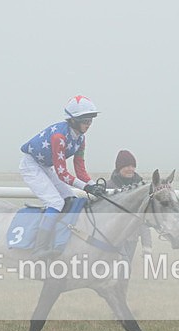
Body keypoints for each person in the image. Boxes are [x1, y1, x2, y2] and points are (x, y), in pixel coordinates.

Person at [20, 95, 107, 258]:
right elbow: (62, 174)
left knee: (71, 198)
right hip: (31, 166)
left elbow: (80, 169)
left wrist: (93, 184)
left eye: (90, 120)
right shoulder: (58, 137)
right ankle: (39, 249)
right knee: (55, 202)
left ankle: (59, 239)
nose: (88, 124)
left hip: (45, 166)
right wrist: (87, 187)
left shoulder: (81, 139)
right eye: (85, 120)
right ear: (73, 120)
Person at [110, 149, 153, 256]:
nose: (131, 169)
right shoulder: (108, 187)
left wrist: (147, 245)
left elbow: (143, 218)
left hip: (131, 239)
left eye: (133, 166)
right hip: (109, 239)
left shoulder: (142, 188)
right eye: (127, 166)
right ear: (119, 167)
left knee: (126, 269)